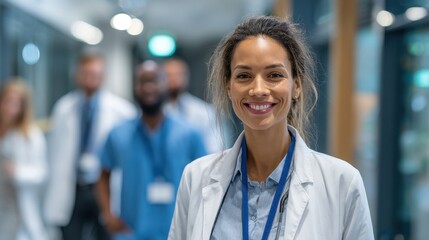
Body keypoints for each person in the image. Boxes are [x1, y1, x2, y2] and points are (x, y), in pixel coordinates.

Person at [169, 16, 374, 240]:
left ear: (296, 85)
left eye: (274, 75)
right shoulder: (196, 177)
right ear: (229, 87)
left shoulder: (341, 182)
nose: (258, 89)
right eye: (244, 76)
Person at [97, 60, 207, 240]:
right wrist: (108, 215)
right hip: (131, 232)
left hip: (177, 232)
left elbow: (206, 178)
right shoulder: (119, 134)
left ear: (165, 84)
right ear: (135, 86)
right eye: (143, 81)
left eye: (154, 80)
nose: (148, 87)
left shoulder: (189, 133)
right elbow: (103, 173)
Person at [44, 54, 136, 240]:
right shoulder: (63, 107)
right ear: (77, 75)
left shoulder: (122, 111)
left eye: (95, 73)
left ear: (103, 76)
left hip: (104, 188)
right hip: (74, 187)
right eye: (86, 73)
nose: (90, 77)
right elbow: (54, 152)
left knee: (106, 235)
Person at [0, 79, 48, 240]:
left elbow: (41, 173)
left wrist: (17, 171)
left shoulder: (32, 136)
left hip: (20, 207)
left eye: (16, 103)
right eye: (7, 101)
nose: (9, 107)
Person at [163, 58, 224, 153]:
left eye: (177, 74)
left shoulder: (204, 111)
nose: (173, 79)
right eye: (168, 75)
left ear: (186, 78)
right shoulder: (154, 114)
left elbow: (215, 148)